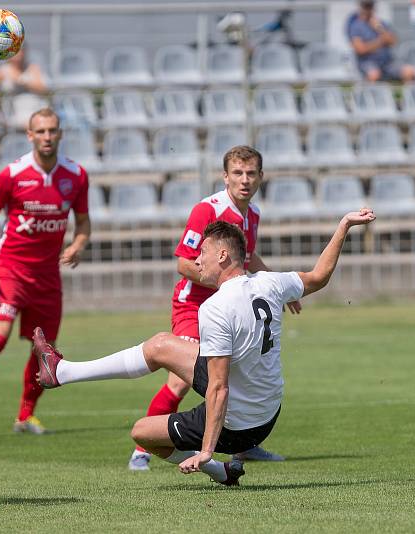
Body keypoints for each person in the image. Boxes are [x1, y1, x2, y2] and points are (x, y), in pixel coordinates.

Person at [34, 210, 377, 486]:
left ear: (223, 255)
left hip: (239, 425)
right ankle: (63, 372)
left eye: (203, 253)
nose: (197, 261)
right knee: (160, 346)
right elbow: (319, 276)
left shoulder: (214, 308)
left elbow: (218, 387)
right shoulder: (269, 282)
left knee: (142, 431)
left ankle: (218, 469)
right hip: (269, 409)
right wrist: (343, 225)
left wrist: (208, 452)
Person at [128, 146, 300, 471]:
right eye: (238, 173)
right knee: (179, 381)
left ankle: (245, 445)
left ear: (261, 177)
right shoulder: (207, 210)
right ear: (225, 177)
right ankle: (142, 449)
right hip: (193, 307)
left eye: (251, 174)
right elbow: (184, 263)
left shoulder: (253, 215)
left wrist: (274, 285)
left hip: (228, 308)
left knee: (244, 369)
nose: (244, 180)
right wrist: (231, 287)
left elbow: (248, 260)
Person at [0, 108, 90, 439]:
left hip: (47, 276)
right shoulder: (12, 174)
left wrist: (78, 244)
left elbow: (84, 221)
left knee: (45, 348)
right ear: (29, 136)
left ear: (60, 134)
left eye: (52, 131)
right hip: (11, 269)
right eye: (40, 131)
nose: (47, 137)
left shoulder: (76, 175)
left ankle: (26, 416)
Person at [347, 0, 415, 82]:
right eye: (366, 6)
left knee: (410, 71)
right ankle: (369, 94)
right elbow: (360, 49)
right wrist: (381, 41)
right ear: (360, 7)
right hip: (367, 63)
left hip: (387, 62)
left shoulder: (381, 23)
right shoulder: (355, 26)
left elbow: (393, 42)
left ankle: (402, 95)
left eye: (370, 6)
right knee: (374, 74)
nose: (368, 9)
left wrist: (379, 28)